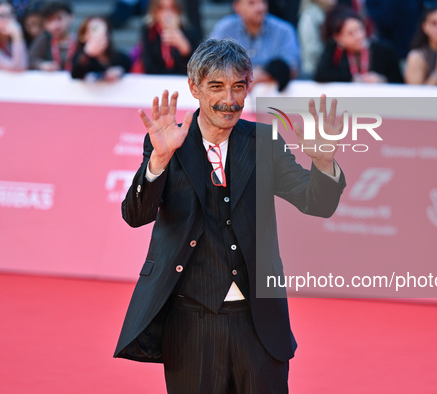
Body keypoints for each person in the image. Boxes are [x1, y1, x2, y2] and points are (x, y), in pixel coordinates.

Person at [113, 38, 346, 393]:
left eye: (239, 86)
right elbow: (135, 215)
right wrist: (158, 161)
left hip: (258, 323)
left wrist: (323, 162)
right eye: (217, 86)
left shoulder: (263, 142)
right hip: (192, 322)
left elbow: (317, 203)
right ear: (195, 87)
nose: (230, 99)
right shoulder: (168, 142)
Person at [210, 0, 300, 91]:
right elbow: (211, 64)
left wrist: (262, 75)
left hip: (272, 94)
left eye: (263, 2)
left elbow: (292, 68)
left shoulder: (284, 31)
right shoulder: (224, 29)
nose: (260, 8)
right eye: (251, 3)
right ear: (237, 7)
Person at [314, 6, 403, 83]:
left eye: (360, 29)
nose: (358, 36)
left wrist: (382, 79)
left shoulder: (384, 50)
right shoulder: (334, 50)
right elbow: (320, 74)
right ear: (338, 38)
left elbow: (399, 80)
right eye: (351, 33)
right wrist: (353, 78)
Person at [137, 0, 200, 75]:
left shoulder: (189, 32)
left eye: (172, 8)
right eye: (161, 8)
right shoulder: (150, 32)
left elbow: (196, 69)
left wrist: (185, 48)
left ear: (178, 10)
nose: (167, 13)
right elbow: (148, 66)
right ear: (154, 11)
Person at [70, 16, 131, 81]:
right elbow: (76, 75)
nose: (100, 35)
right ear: (85, 35)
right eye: (94, 30)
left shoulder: (121, 58)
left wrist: (120, 71)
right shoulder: (80, 58)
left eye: (104, 31)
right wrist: (87, 54)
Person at [28, 1, 75, 71]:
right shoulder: (44, 38)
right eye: (50, 20)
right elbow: (29, 60)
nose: (55, 25)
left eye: (59, 18)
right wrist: (42, 65)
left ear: (71, 18)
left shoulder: (78, 40)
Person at [297, 0, 337, 78]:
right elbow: (311, 50)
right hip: (312, 73)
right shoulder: (309, 16)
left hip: (325, 71)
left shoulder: (327, 13)